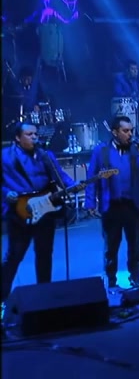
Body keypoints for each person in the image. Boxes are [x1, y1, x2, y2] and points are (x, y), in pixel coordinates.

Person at [1, 122, 76, 302]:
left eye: (35, 134)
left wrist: (74, 186)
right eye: (29, 134)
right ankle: (2, 297)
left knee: (44, 254)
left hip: (44, 209)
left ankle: (44, 295)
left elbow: (60, 176)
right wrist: (6, 193)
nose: (34, 137)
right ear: (18, 138)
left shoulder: (45, 155)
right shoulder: (5, 156)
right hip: (19, 211)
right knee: (14, 256)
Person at [85, 115, 139, 288]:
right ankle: (111, 279)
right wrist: (90, 202)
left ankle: (135, 276)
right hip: (111, 205)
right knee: (111, 245)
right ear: (115, 132)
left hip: (132, 204)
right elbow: (91, 177)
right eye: (125, 131)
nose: (130, 134)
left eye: (131, 131)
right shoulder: (101, 151)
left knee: (135, 243)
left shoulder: (137, 150)